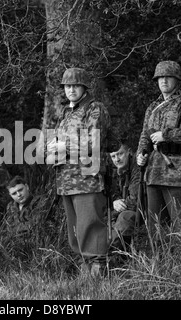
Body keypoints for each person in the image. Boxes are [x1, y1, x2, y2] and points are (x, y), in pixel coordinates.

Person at [51, 67, 111, 277]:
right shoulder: (67, 112)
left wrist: (62, 147)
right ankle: (84, 269)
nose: (71, 90)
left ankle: (97, 269)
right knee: (75, 229)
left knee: (90, 224)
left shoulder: (94, 109)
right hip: (67, 179)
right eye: (67, 86)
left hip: (88, 178)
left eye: (75, 85)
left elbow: (92, 141)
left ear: (84, 87)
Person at [136, 60, 181, 233]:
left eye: (168, 77)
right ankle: (161, 261)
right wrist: (141, 153)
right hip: (153, 172)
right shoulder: (152, 107)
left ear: (177, 80)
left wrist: (167, 135)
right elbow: (145, 134)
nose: (163, 81)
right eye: (160, 77)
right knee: (156, 228)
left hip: (179, 174)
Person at [108, 143, 140, 255]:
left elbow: (134, 201)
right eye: (113, 156)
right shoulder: (114, 170)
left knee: (124, 218)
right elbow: (113, 193)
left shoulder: (137, 167)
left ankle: (112, 255)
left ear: (129, 152)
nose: (117, 159)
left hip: (141, 211)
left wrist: (116, 210)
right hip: (122, 210)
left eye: (120, 154)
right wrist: (115, 201)